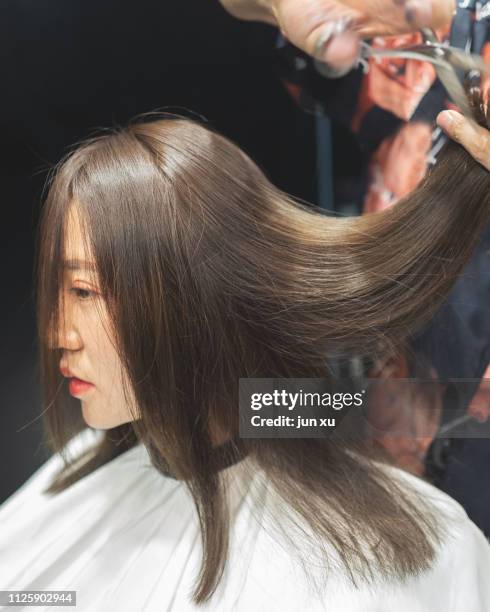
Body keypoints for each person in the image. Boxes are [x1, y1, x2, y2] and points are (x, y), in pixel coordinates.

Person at [0, 82, 489, 609]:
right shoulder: (73, 480)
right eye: (58, 289)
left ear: (193, 297)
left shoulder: (377, 566)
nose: (55, 334)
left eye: (82, 290)